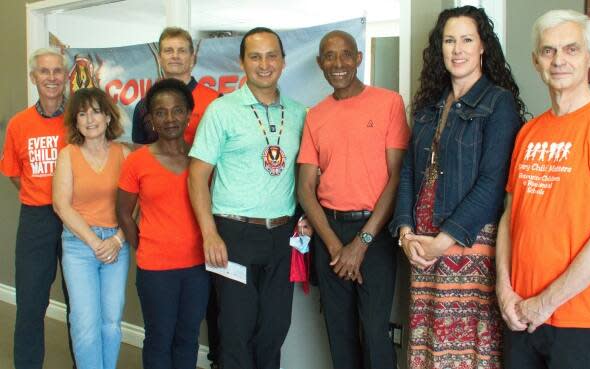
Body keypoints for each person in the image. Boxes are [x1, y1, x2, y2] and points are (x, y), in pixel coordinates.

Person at [389, 6, 527, 369]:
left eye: (467, 39)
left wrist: (444, 240)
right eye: (449, 40)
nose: (457, 49)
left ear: (483, 47)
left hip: (470, 244)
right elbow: (408, 173)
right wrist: (406, 232)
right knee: (431, 347)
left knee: (466, 354)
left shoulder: (498, 103)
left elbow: (493, 183)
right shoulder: (429, 107)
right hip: (423, 246)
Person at [496, 9, 590, 369]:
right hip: (520, 315)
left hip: (581, 319)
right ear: (536, 61)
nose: (558, 60)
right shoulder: (529, 132)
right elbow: (510, 217)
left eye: (571, 49)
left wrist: (546, 302)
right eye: (548, 51)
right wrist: (505, 291)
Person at [188, 27, 306, 369]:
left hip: (283, 237)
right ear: (242, 62)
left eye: (272, 55)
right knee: (235, 332)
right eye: (255, 56)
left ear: (283, 61)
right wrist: (210, 234)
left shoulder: (300, 113)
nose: (264, 64)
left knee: (274, 329)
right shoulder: (222, 111)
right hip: (232, 234)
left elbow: (308, 174)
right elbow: (197, 178)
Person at [297, 30, 410, 369]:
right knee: (339, 331)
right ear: (320, 63)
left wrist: (361, 243)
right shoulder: (315, 115)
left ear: (358, 57)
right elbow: (305, 188)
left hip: (374, 232)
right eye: (329, 56)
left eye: (346, 54)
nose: (338, 64)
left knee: (375, 333)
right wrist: (335, 247)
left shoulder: (389, 102)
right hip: (329, 231)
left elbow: (397, 177)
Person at [117, 79, 210, 369]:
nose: (170, 118)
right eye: (161, 112)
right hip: (156, 270)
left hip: (197, 267)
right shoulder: (137, 161)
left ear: (188, 114)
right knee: (159, 338)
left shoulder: (202, 157)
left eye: (177, 110)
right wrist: (143, 246)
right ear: (151, 118)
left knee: (188, 337)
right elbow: (123, 214)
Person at [0, 47, 77, 369]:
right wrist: (41, 195)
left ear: (66, 77)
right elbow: (15, 173)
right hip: (36, 220)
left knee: (80, 304)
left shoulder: (79, 120)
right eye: (44, 72)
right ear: (34, 77)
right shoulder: (18, 124)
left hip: (76, 219)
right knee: (31, 304)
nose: (51, 77)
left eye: (57, 71)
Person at [52, 87, 130, 369]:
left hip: (116, 247)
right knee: (85, 323)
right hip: (79, 246)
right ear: (76, 122)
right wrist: (95, 243)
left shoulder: (124, 154)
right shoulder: (68, 155)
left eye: (96, 111)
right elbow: (62, 205)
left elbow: (136, 205)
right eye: (82, 114)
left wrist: (118, 240)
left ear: (109, 117)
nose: (89, 119)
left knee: (111, 322)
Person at [132, 26, 219, 145]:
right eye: (168, 50)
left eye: (182, 51)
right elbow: (139, 153)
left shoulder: (215, 101)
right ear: (159, 59)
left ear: (192, 58)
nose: (175, 56)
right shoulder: (144, 105)